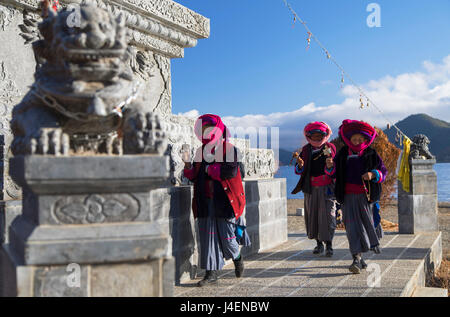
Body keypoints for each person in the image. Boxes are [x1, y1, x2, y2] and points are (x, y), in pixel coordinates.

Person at [183, 114, 250, 287]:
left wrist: (210, 169)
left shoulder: (230, 149)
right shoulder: (199, 151)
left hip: (225, 202)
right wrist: (188, 165)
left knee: (228, 238)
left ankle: (237, 257)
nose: (207, 132)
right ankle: (211, 274)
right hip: (205, 201)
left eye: (210, 128)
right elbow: (194, 177)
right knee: (207, 239)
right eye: (204, 129)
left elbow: (230, 171)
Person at [325, 119, 387, 274]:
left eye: (360, 139)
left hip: (366, 197)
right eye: (354, 139)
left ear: (366, 140)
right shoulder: (343, 154)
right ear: (349, 139)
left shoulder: (372, 154)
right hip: (346, 197)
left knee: (365, 226)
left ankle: (361, 256)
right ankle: (356, 258)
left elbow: (383, 172)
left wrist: (373, 174)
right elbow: (333, 174)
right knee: (352, 227)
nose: (357, 142)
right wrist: (330, 167)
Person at [291, 122, 337, 257]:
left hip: (327, 187)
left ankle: (329, 245)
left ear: (325, 135)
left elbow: (335, 168)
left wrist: (330, 166)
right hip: (310, 188)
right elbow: (299, 170)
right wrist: (300, 165)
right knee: (313, 216)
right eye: (314, 136)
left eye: (319, 136)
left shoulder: (329, 147)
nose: (317, 138)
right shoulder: (305, 150)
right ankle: (319, 244)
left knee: (328, 215)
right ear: (309, 136)